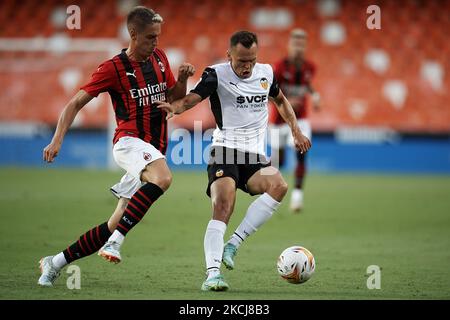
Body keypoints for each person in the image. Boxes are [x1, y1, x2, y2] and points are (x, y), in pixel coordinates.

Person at [37, 6, 195, 287]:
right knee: (164, 178)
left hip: (151, 150)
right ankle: (116, 242)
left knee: (116, 221)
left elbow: (173, 95)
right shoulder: (112, 68)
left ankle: (55, 262)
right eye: (150, 37)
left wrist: (182, 79)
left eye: (158, 36)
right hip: (129, 143)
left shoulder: (159, 58)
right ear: (133, 34)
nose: (155, 43)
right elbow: (75, 103)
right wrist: (57, 139)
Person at [156, 30, 311, 291]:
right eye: (241, 61)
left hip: (254, 155)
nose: (247, 66)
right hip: (225, 150)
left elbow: (281, 102)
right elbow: (193, 97)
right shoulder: (216, 74)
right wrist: (177, 108)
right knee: (223, 206)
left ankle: (233, 244)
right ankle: (212, 274)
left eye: (251, 60)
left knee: (279, 186)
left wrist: (296, 131)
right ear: (229, 55)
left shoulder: (266, 73)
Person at [269, 28, 320, 212]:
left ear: (305, 46)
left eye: (301, 44)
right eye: (295, 44)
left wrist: (314, 95)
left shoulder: (310, 67)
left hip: (301, 121)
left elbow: (306, 85)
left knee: (301, 152)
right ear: (289, 46)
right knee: (279, 161)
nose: (298, 48)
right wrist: (288, 101)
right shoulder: (278, 68)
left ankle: (297, 197)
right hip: (278, 122)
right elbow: (268, 95)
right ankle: (272, 195)